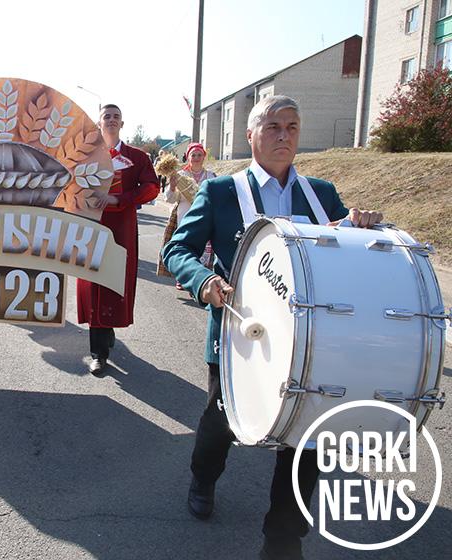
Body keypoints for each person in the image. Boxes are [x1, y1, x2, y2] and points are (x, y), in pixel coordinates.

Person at [162, 95, 382, 560]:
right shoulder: (221, 192)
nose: (284, 135)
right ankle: (204, 478)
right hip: (239, 338)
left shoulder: (321, 195)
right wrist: (204, 281)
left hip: (312, 343)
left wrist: (359, 227)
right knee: (222, 421)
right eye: (273, 126)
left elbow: (346, 253)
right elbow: (177, 250)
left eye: (292, 127)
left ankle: (283, 538)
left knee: (306, 437)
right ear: (251, 134)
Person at [76, 104, 160, 377]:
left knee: (112, 282)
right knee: (93, 284)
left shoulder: (136, 156)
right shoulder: (85, 154)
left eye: (116, 117)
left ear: (122, 124)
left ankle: (107, 328)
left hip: (120, 228)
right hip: (91, 227)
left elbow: (151, 188)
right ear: (99, 122)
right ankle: (98, 353)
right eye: (106, 116)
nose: (111, 120)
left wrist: (119, 199)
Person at [158, 143, 216, 288]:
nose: (196, 158)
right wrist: (172, 187)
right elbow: (169, 198)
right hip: (184, 217)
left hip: (204, 217)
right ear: (188, 157)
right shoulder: (180, 175)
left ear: (204, 157)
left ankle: (199, 281)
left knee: (203, 249)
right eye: (193, 155)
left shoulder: (210, 176)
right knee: (185, 247)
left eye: (199, 155)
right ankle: (183, 277)